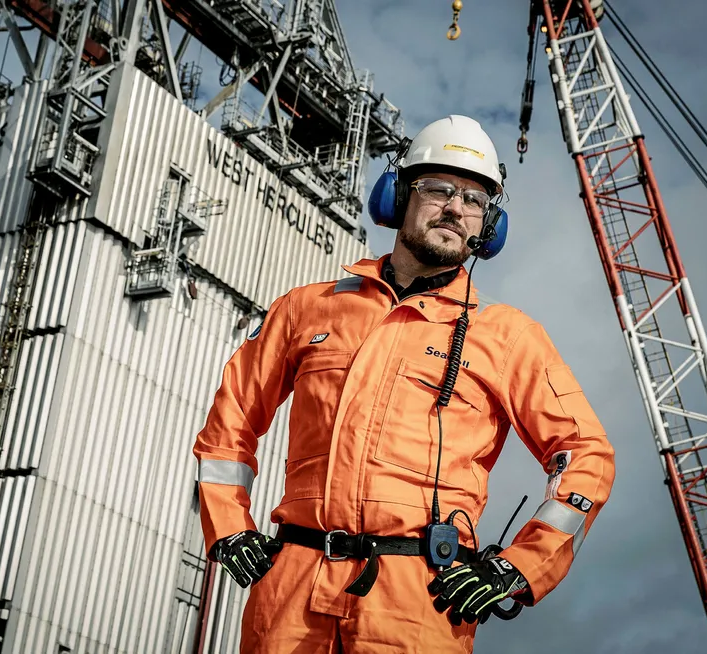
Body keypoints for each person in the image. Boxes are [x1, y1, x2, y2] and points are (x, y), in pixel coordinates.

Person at [192, 115, 616, 653]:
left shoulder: (509, 337)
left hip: (422, 604)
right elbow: (230, 423)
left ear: (488, 226)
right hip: (290, 597)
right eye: (439, 189)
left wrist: (518, 569)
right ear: (397, 195)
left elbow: (587, 456)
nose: (456, 209)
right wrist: (229, 526)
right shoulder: (308, 308)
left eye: (475, 201)